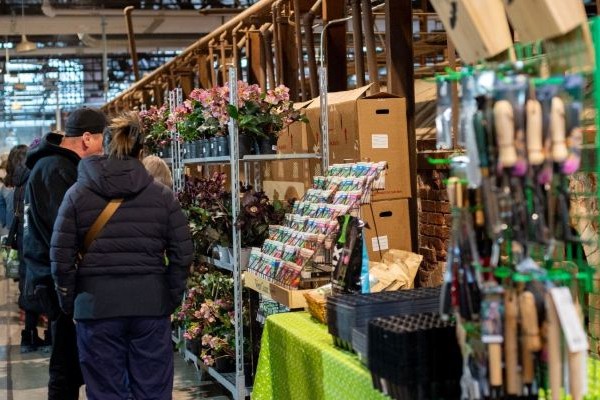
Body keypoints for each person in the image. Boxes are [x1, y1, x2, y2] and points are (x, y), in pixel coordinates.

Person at [50, 111, 192, 400]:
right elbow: (182, 253)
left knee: (105, 392)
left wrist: (71, 302)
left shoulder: (77, 195)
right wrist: (169, 297)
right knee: (152, 391)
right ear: (142, 150)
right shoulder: (162, 196)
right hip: (150, 307)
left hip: (96, 308)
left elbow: (60, 258)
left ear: (104, 146)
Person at [23, 107, 107, 400]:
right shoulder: (56, 170)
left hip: (56, 277)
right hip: (56, 280)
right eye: (101, 141)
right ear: (86, 139)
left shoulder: (56, 166)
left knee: (69, 365)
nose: (103, 151)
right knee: (65, 369)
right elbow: (67, 232)